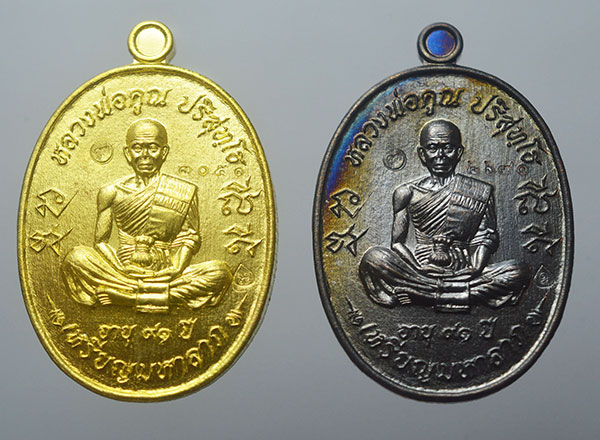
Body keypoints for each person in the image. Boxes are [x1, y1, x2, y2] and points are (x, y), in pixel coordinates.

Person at [61, 118, 232, 313]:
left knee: (220, 273)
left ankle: (128, 297)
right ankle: (162, 296)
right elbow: (100, 242)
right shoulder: (111, 192)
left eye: (152, 148)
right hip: (123, 271)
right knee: (75, 259)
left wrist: (176, 269)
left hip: (167, 271)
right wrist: (120, 268)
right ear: (127, 153)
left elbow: (189, 238)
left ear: (164, 152)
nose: (145, 155)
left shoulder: (184, 191)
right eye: (137, 148)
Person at [359, 119, 530, 312]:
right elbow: (397, 243)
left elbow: (486, 237)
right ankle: (460, 294)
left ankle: (422, 295)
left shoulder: (480, 190)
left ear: (459, 153)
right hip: (421, 269)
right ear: (422, 154)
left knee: (518, 272)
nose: (440, 155)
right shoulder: (406, 193)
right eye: (432, 148)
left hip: (464, 268)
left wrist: (475, 269)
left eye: (447, 148)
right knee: (373, 258)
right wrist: (418, 268)